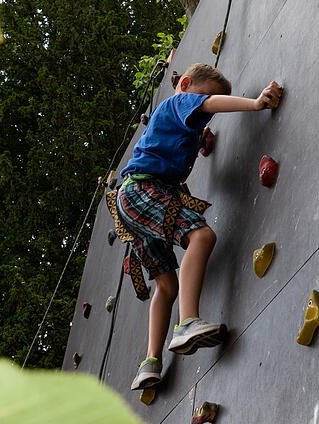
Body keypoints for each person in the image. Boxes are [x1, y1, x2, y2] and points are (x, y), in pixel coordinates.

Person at [116, 63, 282, 390]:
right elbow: (206, 105)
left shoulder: (181, 126)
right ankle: (187, 322)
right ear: (187, 84)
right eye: (205, 97)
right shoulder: (178, 103)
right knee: (201, 235)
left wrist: (201, 138)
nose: (205, 109)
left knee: (166, 285)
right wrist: (255, 103)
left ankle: (150, 363)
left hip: (131, 203)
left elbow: (200, 118)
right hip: (144, 190)